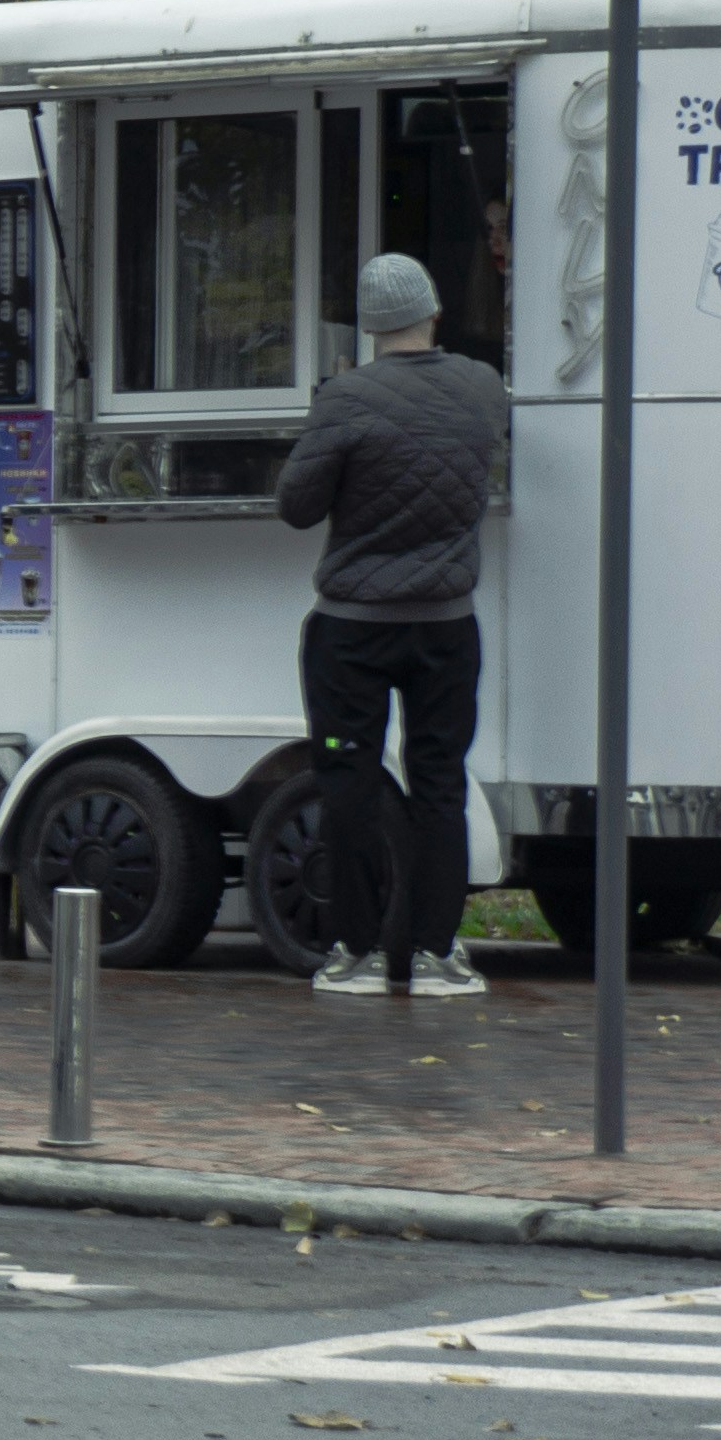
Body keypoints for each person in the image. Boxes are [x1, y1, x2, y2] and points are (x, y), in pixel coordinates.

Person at [275, 250, 509, 998]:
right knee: (441, 781)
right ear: (434, 311)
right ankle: (440, 955)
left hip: (353, 631)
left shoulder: (347, 397)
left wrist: (336, 413)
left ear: (369, 326)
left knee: (348, 781)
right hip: (447, 626)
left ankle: (360, 952)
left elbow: (297, 506)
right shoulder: (483, 388)